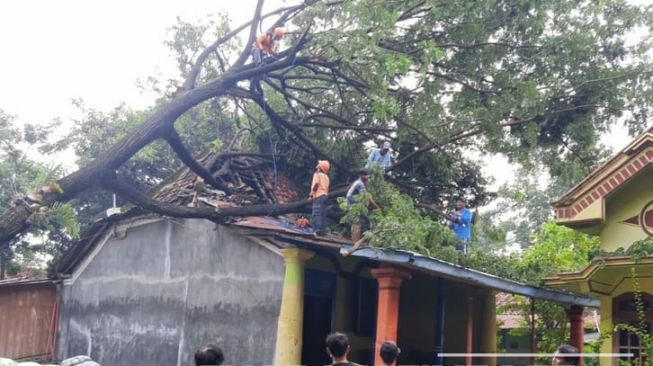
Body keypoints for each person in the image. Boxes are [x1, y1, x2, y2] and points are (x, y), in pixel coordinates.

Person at [345, 168, 381, 242]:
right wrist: (376, 207)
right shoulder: (359, 184)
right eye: (367, 175)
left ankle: (357, 241)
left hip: (354, 205)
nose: (368, 177)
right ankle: (355, 242)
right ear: (362, 175)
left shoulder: (358, 183)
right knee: (357, 223)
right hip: (353, 206)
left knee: (363, 222)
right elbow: (367, 197)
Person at [310, 160, 330, 237]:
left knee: (316, 213)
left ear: (320, 167)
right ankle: (322, 232)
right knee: (322, 214)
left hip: (318, 195)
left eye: (319, 164)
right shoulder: (327, 177)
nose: (317, 165)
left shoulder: (317, 175)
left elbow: (316, 184)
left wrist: (311, 194)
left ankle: (317, 231)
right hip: (325, 196)